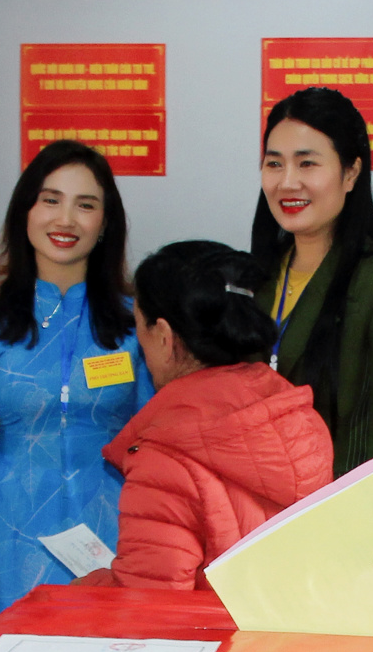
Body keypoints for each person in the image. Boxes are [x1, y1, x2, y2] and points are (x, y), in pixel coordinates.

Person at [0, 139, 152, 632]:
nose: (66, 219)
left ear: (106, 223)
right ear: (26, 212)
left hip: (114, 548)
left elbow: (155, 453)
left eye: (86, 205)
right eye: (51, 200)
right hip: (8, 552)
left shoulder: (136, 327)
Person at [89, 240, 332, 589]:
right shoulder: (300, 422)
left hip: (209, 627)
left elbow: (149, 605)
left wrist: (89, 588)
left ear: (164, 337)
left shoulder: (163, 457)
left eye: (139, 325)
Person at [252, 87, 373, 479]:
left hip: (336, 507)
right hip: (251, 504)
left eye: (307, 164)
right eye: (274, 163)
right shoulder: (254, 279)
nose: (287, 182)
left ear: (350, 173)